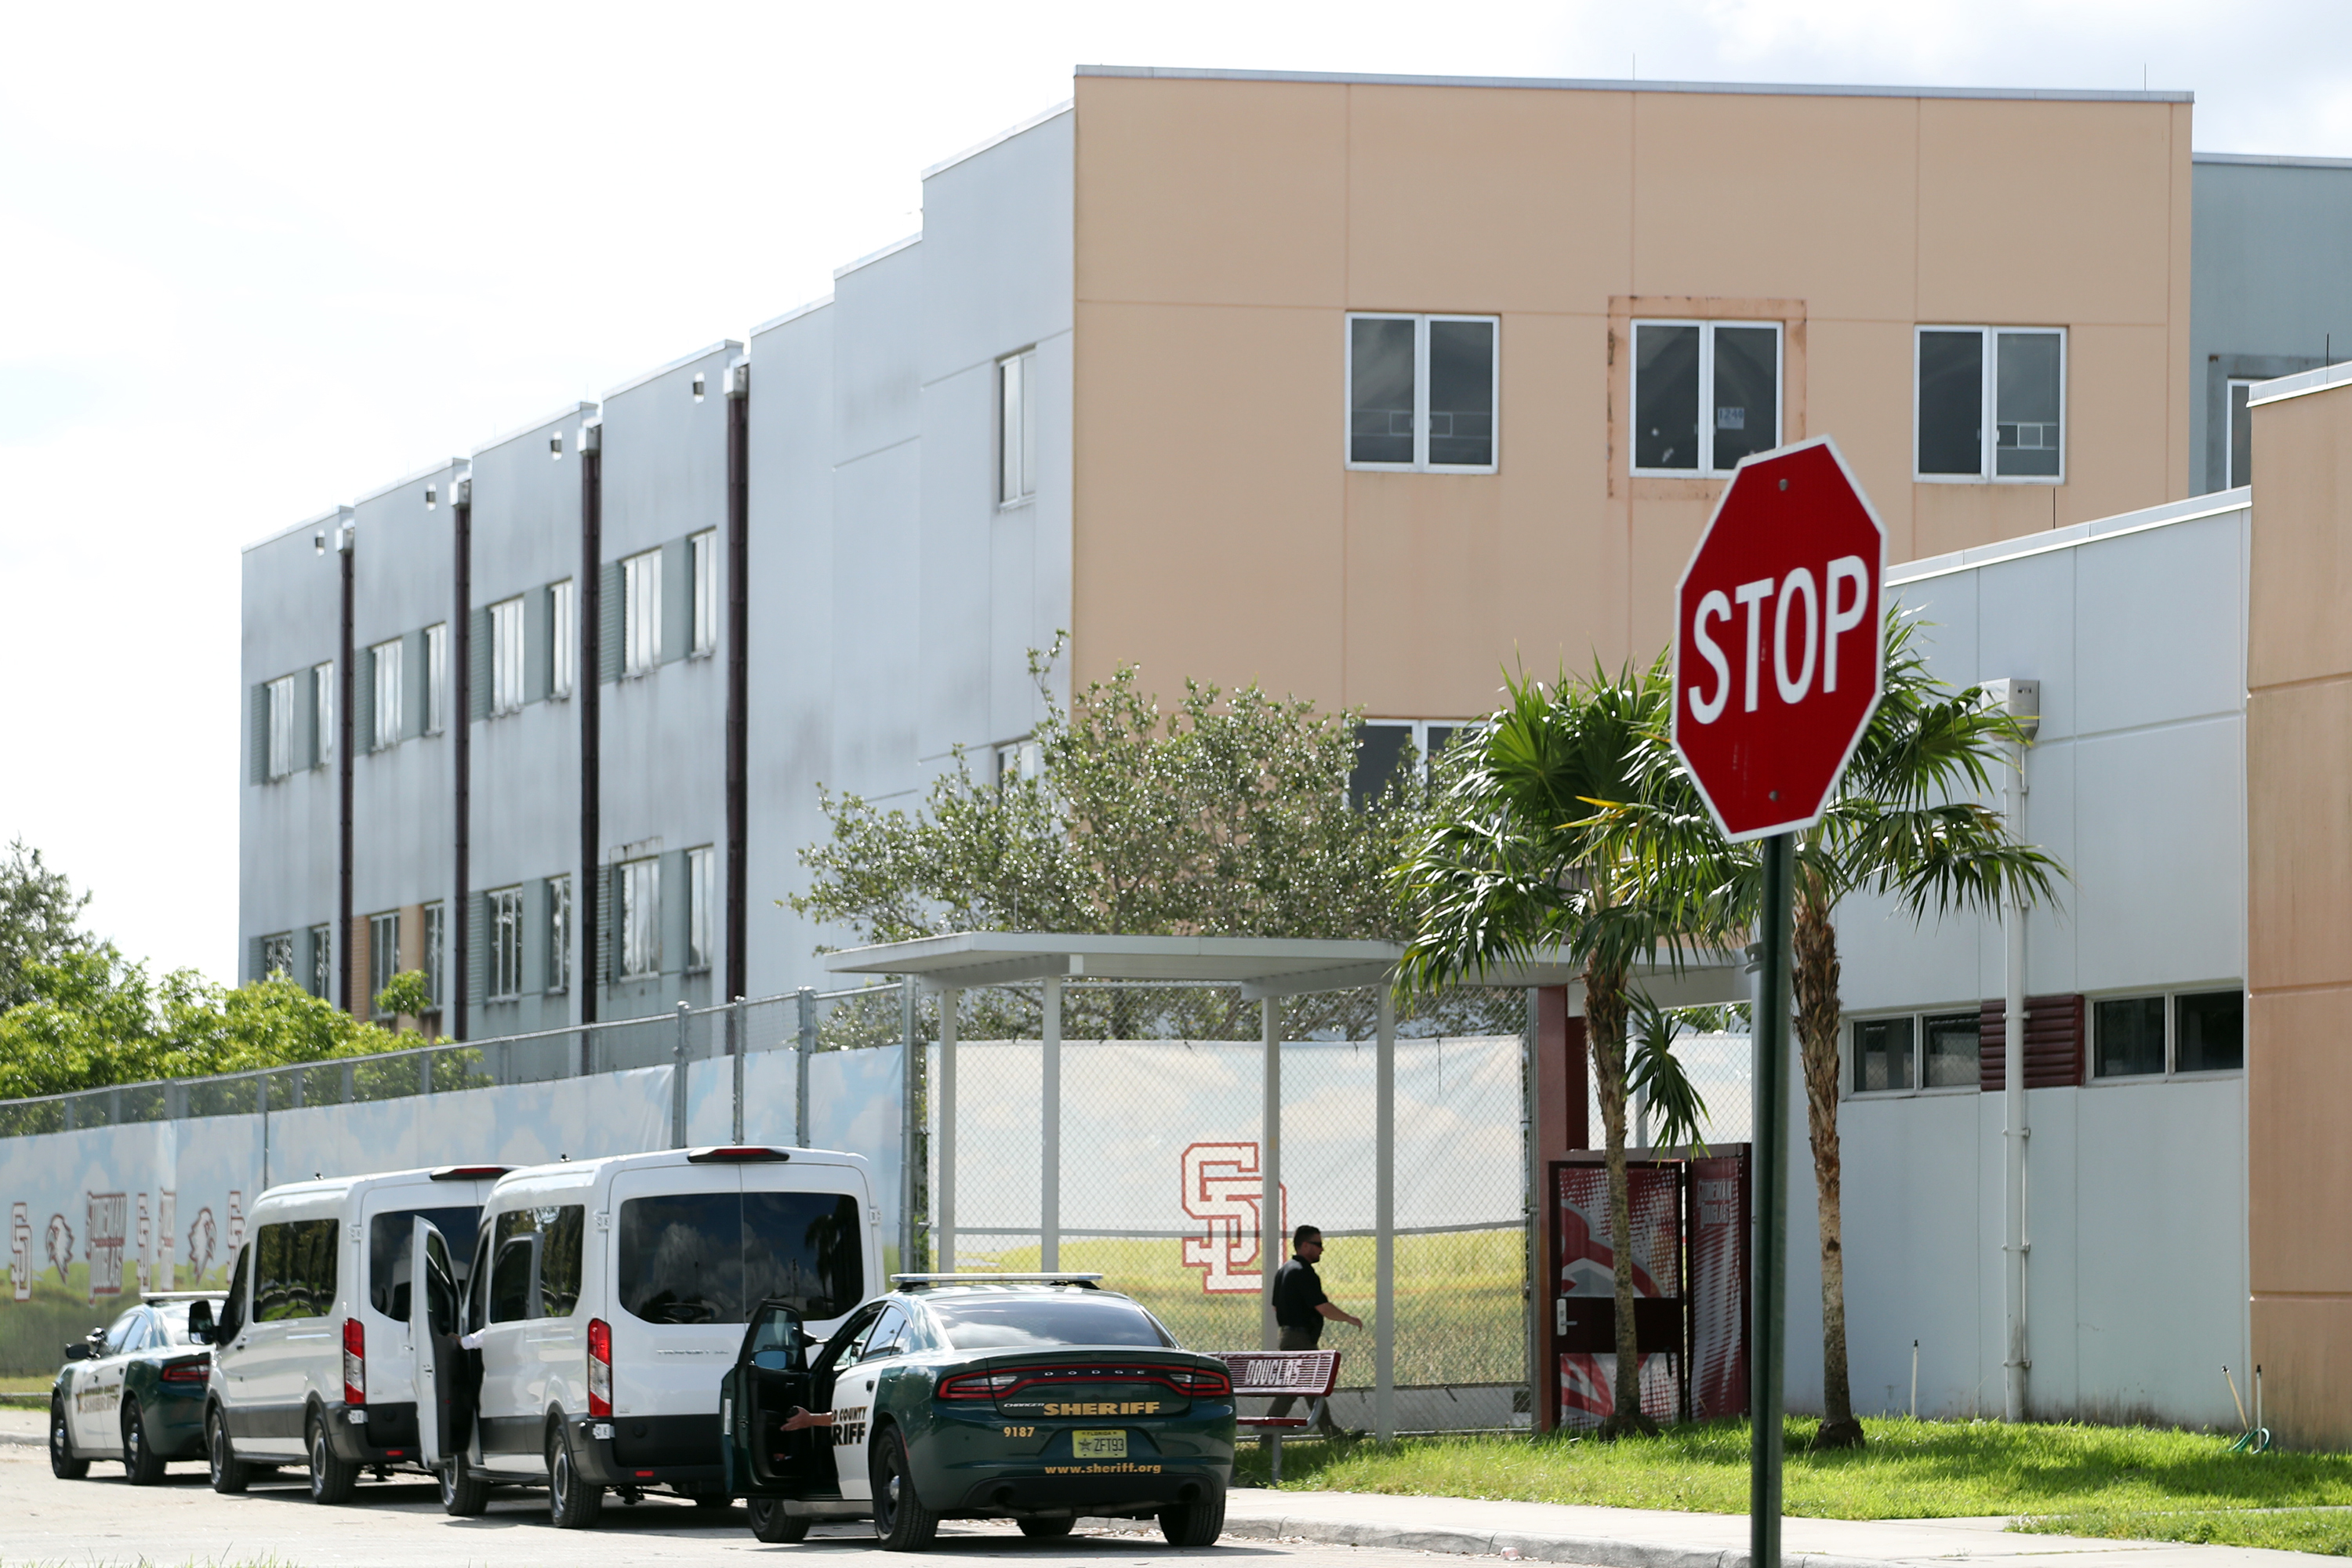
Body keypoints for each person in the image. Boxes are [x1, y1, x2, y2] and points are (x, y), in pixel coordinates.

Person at [1267, 1225, 1363, 1438]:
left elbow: (1276, 1306)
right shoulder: (1303, 1272)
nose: (1322, 1249)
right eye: (1318, 1244)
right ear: (1304, 1245)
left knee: (1309, 1389)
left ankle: (1333, 1435)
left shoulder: (1284, 1270)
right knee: (1295, 1391)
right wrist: (1349, 1318)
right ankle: (1267, 1435)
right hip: (1299, 1339)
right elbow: (1323, 1307)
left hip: (1289, 1337)